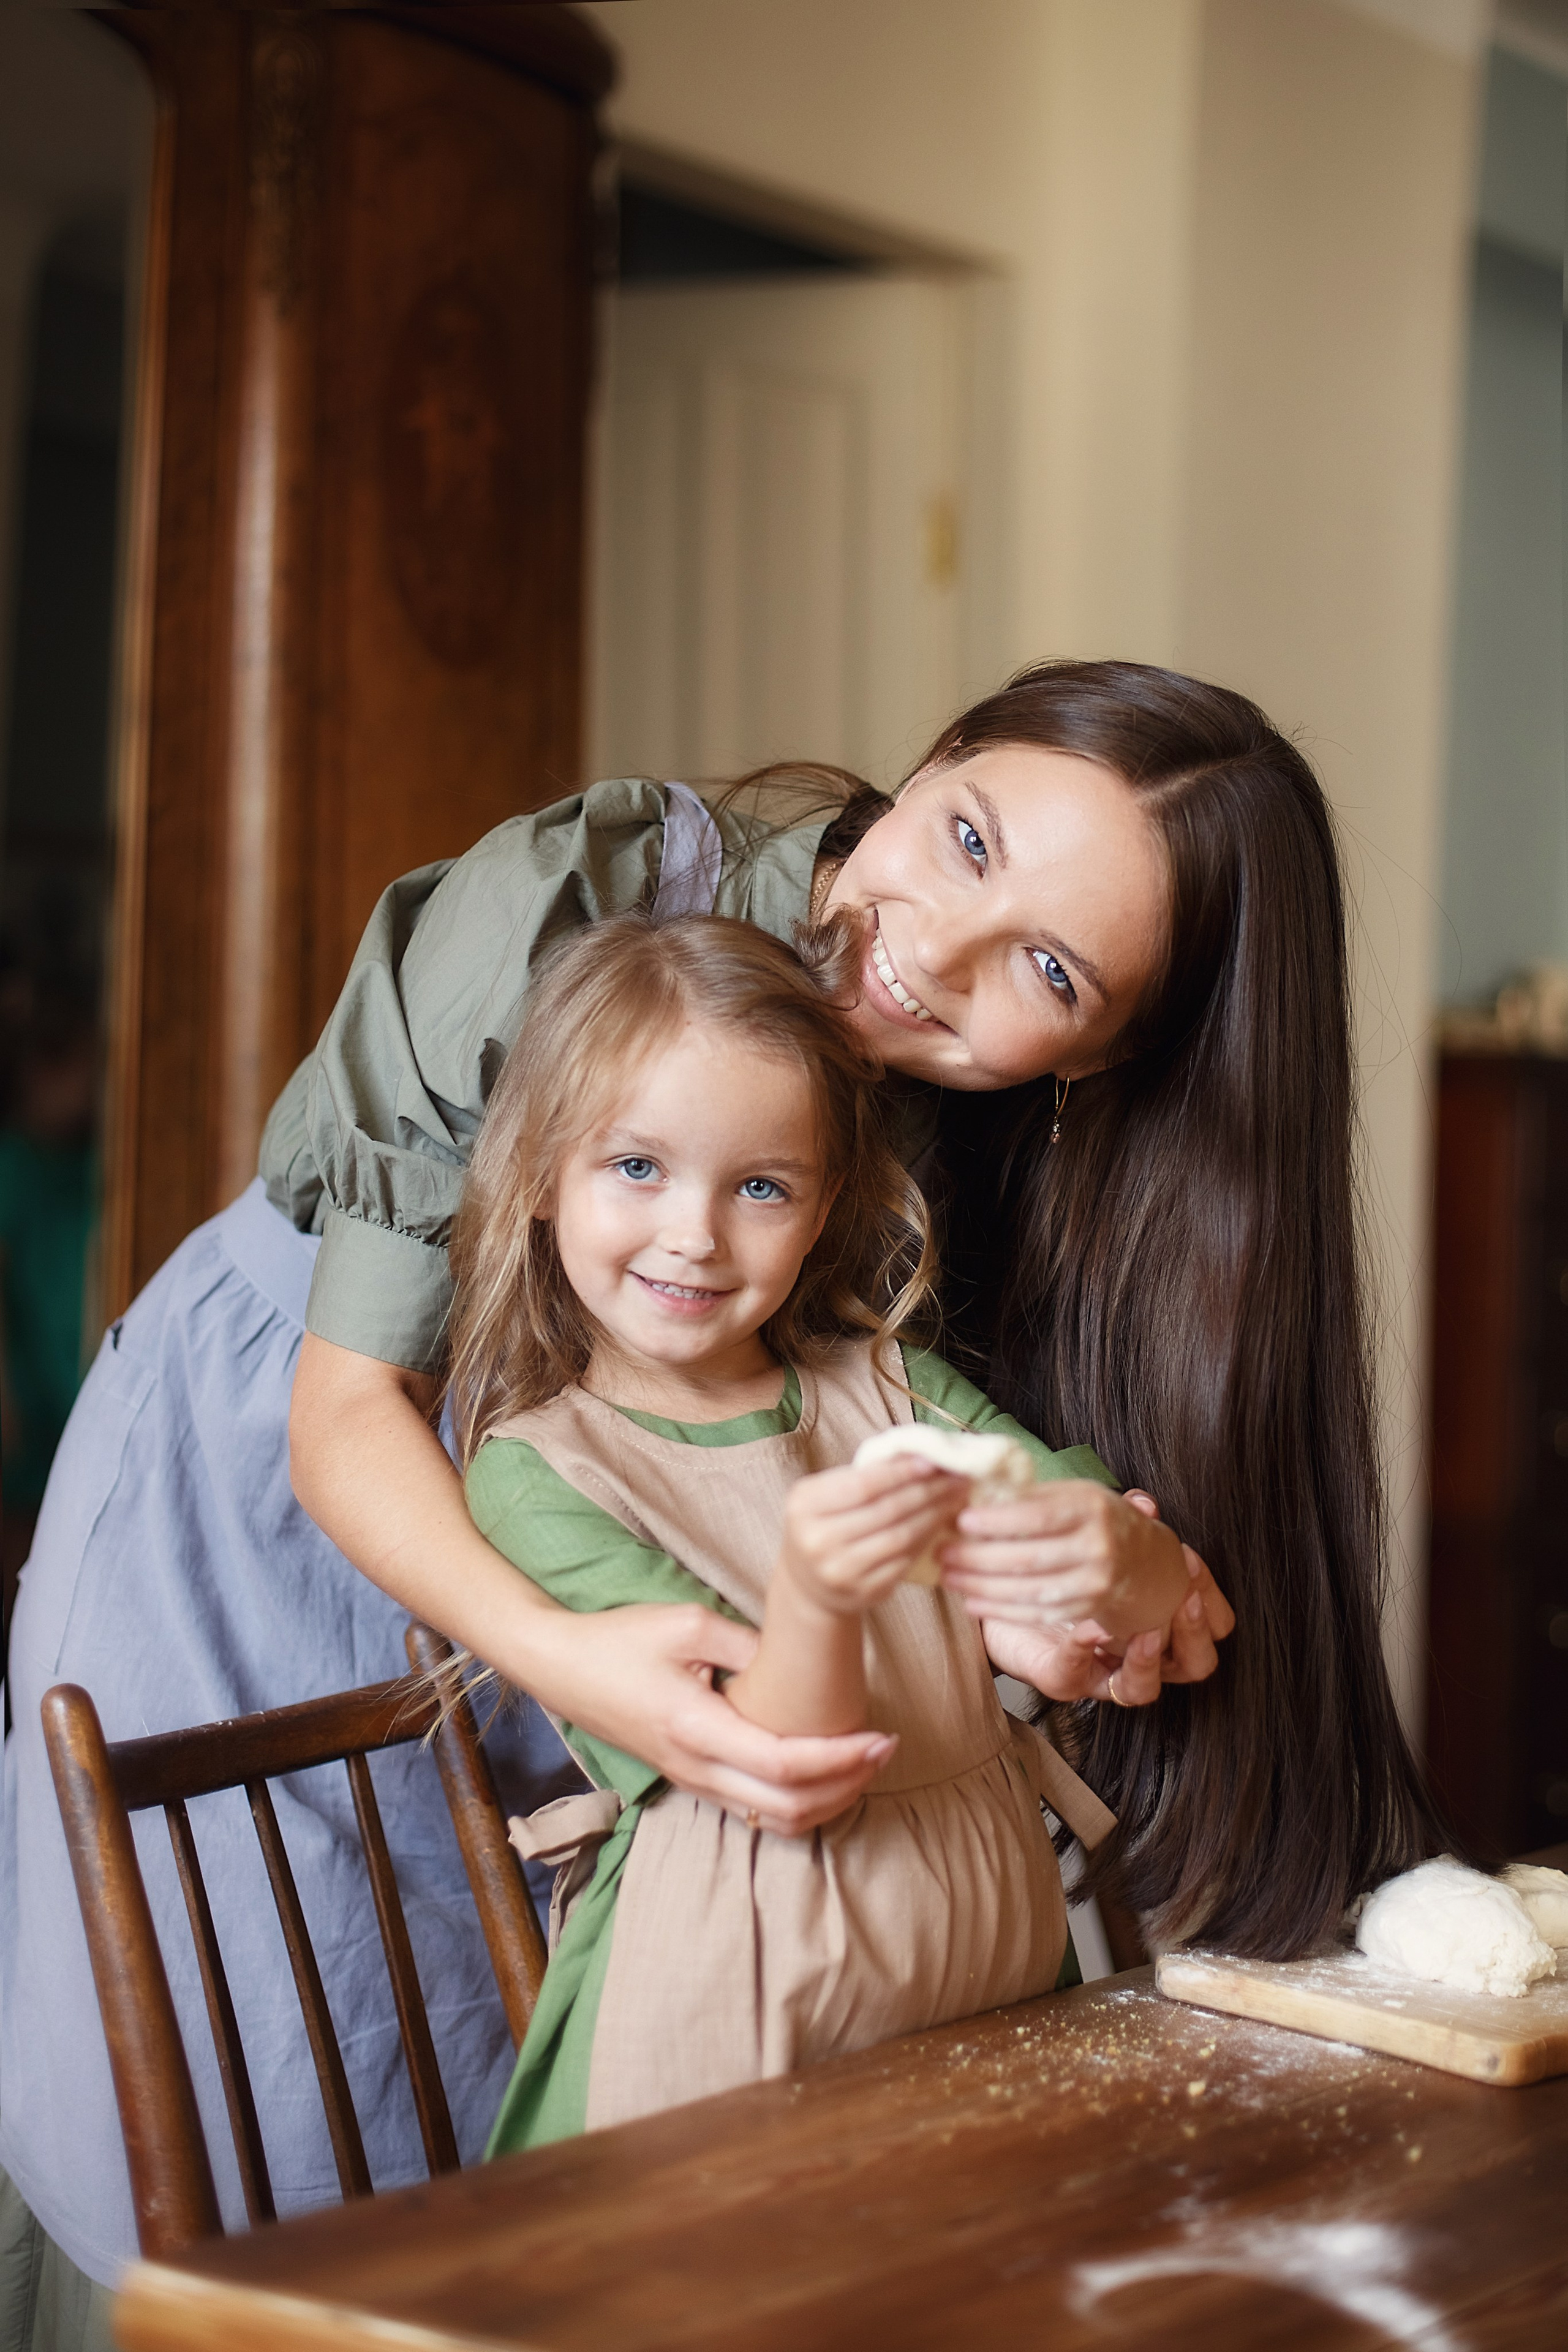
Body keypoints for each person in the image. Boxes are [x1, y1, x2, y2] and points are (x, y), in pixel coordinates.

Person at [0, 659, 1430, 2310]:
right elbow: (350, 1412)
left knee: (496, 2113)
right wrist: (568, 1655)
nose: (926, 952)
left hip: (607, 1539)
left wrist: (1106, 1573)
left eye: (1046, 967)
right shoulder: (579, 903)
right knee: (252, 2100)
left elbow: (998, 1524)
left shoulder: (965, 1167)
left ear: (1103, 1060)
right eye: (964, 838)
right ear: (933, 754)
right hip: (285, 1490)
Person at [443, 909, 1188, 2150]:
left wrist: (1107, 1568)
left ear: (822, 1200)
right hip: (735, 2002)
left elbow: (1074, 1533)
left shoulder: (889, 1386)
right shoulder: (535, 1477)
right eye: (636, 1168)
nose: (694, 1232)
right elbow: (778, 1769)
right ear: (536, 1174)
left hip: (982, 1959)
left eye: (757, 1186)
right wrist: (821, 1593)